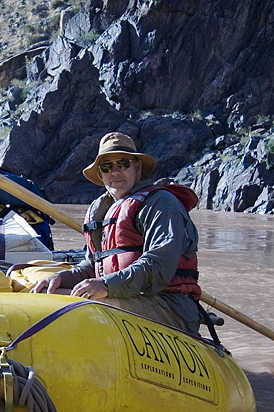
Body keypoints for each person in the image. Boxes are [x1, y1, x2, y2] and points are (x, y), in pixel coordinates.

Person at [31, 132, 202, 335]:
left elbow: (159, 266)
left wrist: (106, 285)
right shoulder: (101, 210)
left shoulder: (161, 204)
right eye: (107, 167)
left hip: (169, 306)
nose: (115, 171)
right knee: (47, 295)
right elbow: (91, 265)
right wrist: (61, 277)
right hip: (125, 296)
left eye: (123, 163)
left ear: (137, 168)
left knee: (73, 307)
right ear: (101, 175)